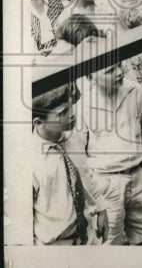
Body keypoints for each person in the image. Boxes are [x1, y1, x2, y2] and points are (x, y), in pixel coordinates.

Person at [75, 36, 142, 245]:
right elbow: (79, 155)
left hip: (137, 179)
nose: (119, 72)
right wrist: (96, 196)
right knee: (111, 249)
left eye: (118, 65)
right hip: (106, 185)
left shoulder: (134, 91)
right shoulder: (83, 106)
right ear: (91, 76)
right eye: (109, 71)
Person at [32, 83, 108, 245]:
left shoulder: (74, 138)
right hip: (55, 248)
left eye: (70, 107)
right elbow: (22, 216)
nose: (72, 114)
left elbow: (86, 175)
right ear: (39, 122)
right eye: (62, 113)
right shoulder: (29, 161)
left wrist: (102, 210)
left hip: (88, 238)